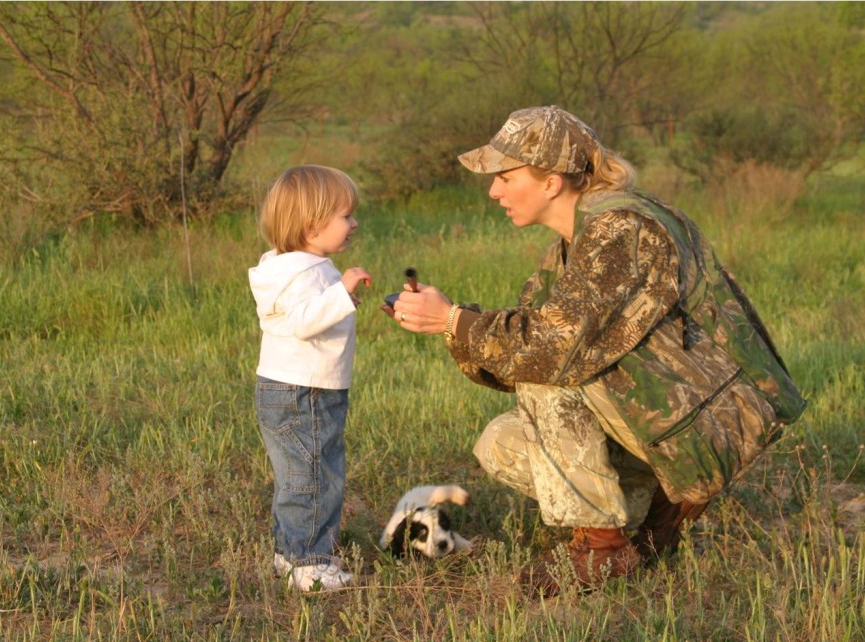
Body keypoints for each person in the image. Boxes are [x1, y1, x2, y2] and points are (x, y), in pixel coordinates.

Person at [386, 106, 804, 597]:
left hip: (710, 425)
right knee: (500, 442)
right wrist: (450, 324)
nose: (494, 191)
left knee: (546, 375)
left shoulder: (621, 230)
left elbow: (548, 351)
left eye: (505, 176)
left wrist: (455, 319)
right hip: (671, 417)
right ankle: (654, 514)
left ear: (551, 181)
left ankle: (601, 548)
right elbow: (520, 355)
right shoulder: (576, 240)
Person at [249, 165, 371, 592]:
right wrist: (341, 292)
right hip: (307, 393)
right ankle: (310, 564)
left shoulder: (289, 267)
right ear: (312, 225)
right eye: (345, 216)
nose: (354, 223)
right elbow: (303, 321)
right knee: (315, 476)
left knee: (300, 475)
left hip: (291, 389)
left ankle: (291, 551)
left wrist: (343, 296)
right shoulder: (307, 272)